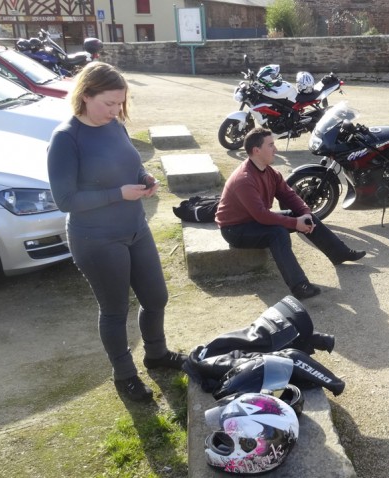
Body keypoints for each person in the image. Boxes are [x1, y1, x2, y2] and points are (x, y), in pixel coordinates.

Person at [47, 62, 187, 403]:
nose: (115, 111)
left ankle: (156, 354)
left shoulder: (116, 126)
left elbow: (131, 164)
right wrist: (117, 194)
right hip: (96, 238)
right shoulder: (66, 138)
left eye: (120, 104)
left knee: (156, 297)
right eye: (108, 103)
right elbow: (65, 200)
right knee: (114, 309)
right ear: (85, 95)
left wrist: (144, 178)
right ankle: (124, 375)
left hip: (135, 228)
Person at [216, 127, 365, 299]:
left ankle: (339, 253)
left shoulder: (270, 171)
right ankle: (299, 286)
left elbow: (288, 195)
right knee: (277, 233)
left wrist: (305, 213)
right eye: (271, 145)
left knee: (306, 218)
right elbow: (262, 215)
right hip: (235, 230)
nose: (276, 149)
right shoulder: (244, 179)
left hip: (255, 220)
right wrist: (295, 224)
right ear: (256, 151)